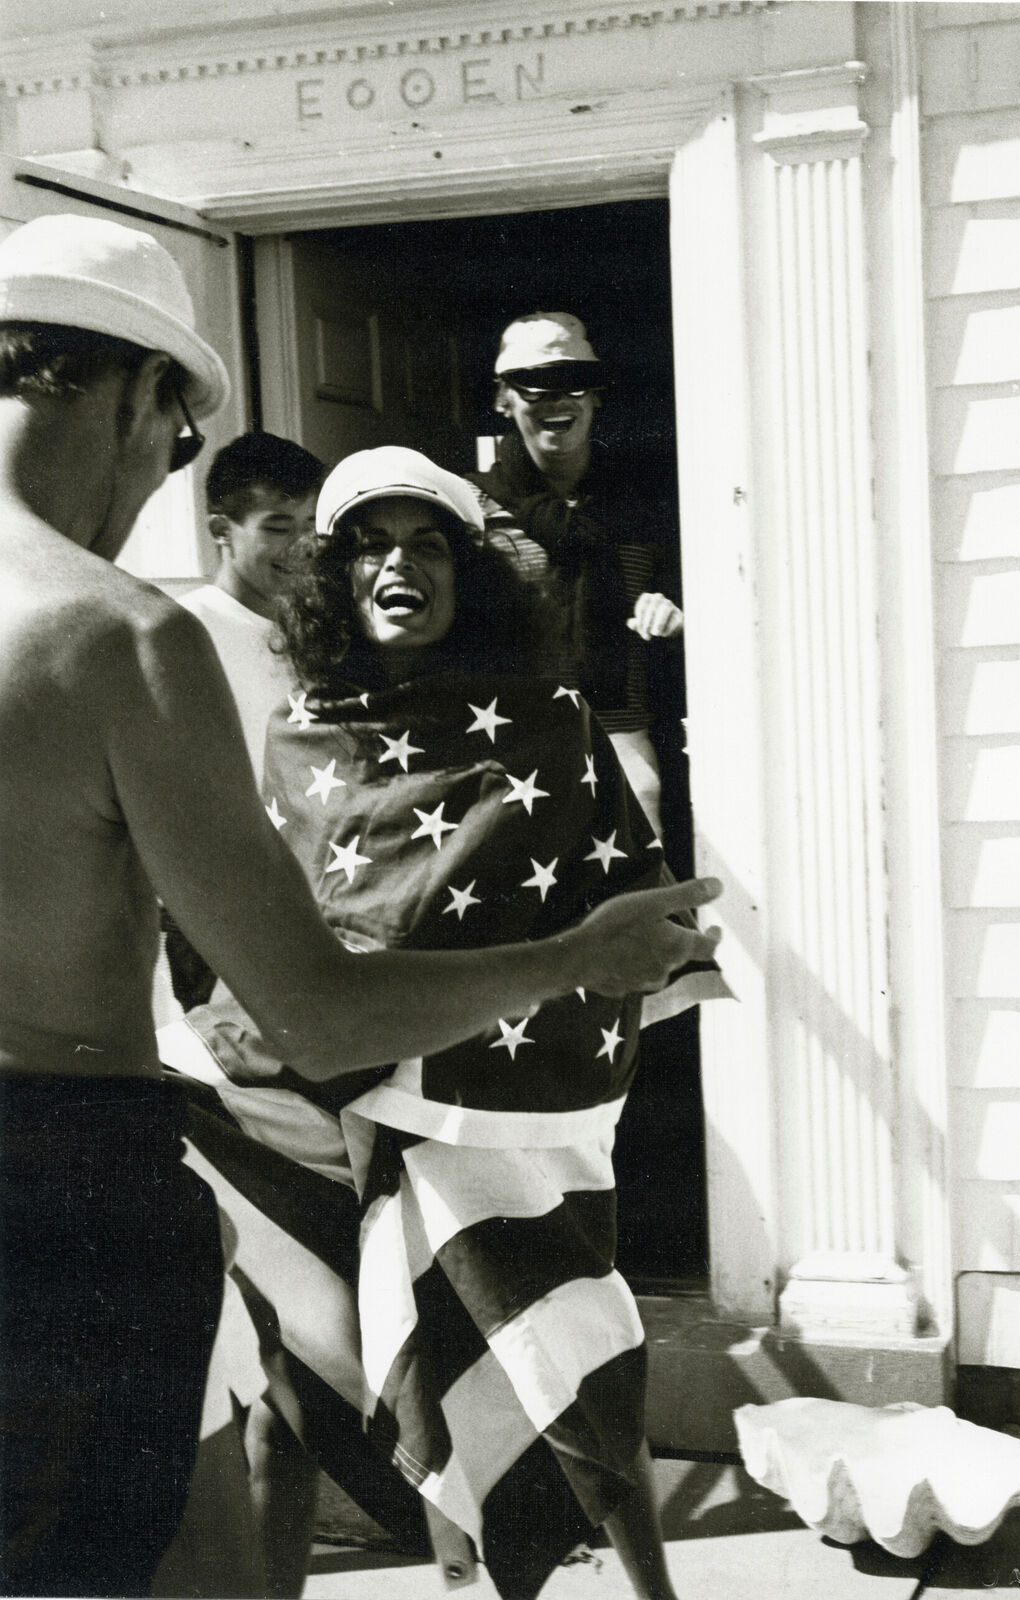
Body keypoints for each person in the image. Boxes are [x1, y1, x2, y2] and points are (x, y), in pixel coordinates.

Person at [0, 213, 719, 1599]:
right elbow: (319, 1014)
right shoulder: (114, 634)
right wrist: (584, 951)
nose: (163, 482)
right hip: (63, 1189)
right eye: (177, 447)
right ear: (141, 390)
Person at [161, 445, 720, 1599]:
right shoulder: (302, 736)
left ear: (473, 571)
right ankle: (461, 1583)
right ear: (331, 576)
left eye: (426, 543)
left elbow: (622, 921)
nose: (395, 565)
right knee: (317, 1391)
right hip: (324, 1111)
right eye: (367, 544)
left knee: (570, 1367)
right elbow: (276, 933)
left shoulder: (551, 727)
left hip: (502, 1117)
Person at [468, 312, 685, 845]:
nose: (557, 403)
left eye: (574, 385)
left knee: (644, 900)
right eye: (535, 388)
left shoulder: (648, 508)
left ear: (596, 397)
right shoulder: (470, 508)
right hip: (508, 748)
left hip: (626, 739)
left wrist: (679, 614)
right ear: (503, 399)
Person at [180, 430, 325, 782]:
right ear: (221, 530)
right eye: (278, 528)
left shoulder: (326, 621)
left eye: (313, 525)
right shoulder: (188, 634)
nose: (304, 545)